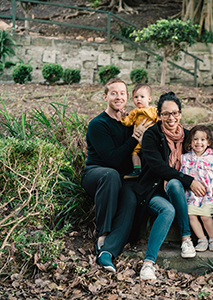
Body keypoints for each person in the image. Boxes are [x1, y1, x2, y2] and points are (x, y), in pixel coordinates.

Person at [136, 91, 213, 280]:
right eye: (166, 114)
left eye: (175, 113)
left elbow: (206, 160)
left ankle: (185, 241)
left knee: (174, 184)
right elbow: (157, 167)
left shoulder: (189, 137)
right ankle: (150, 262)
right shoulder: (152, 135)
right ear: (159, 115)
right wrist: (189, 180)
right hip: (153, 190)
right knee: (168, 208)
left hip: (182, 193)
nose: (171, 118)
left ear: (180, 114)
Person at [81, 78, 152, 273]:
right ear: (105, 97)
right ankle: (103, 234)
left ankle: (108, 253)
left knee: (130, 197)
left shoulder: (130, 122)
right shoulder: (98, 124)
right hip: (97, 174)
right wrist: (135, 137)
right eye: (114, 93)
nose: (118, 97)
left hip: (123, 178)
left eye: (122, 93)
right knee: (111, 175)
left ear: (127, 97)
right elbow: (112, 159)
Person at [180, 125, 213, 252]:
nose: (199, 143)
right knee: (190, 215)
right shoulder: (185, 158)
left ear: (208, 142)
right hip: (192, 197)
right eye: (195, 139)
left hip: (209, 197)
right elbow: (180, 175)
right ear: (190, 142)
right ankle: (202, 238)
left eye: (203, 140)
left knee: (204, 215)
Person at [121, 83, 158, 179]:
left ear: (149, 99)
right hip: (138, 137)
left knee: (151, 152)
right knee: (134, 152)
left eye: (142, 96)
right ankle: (137, 169)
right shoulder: (134, 112)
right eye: (136, 97)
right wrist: (124, 118)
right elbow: (128, 122)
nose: (138, 99)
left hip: (151, 137)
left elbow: (158, 121)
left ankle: (153, 170)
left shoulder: (153, 110)